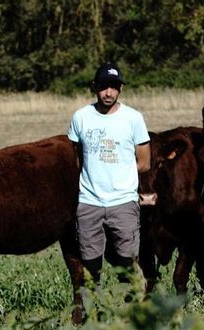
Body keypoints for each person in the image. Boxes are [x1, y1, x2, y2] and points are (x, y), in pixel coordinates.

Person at [68, 62, 151, 284]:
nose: (108, 92)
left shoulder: (133, 118)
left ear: (121, 89)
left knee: (127, 262)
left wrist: (120, 176)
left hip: (123, 202)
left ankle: (136, 307)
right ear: (94, 87)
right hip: (89, 203)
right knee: (90, 267)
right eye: (104, 86)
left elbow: (144, 162)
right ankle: (91, 313)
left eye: (114, 87)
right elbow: (77, 157)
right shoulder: (81, 117)